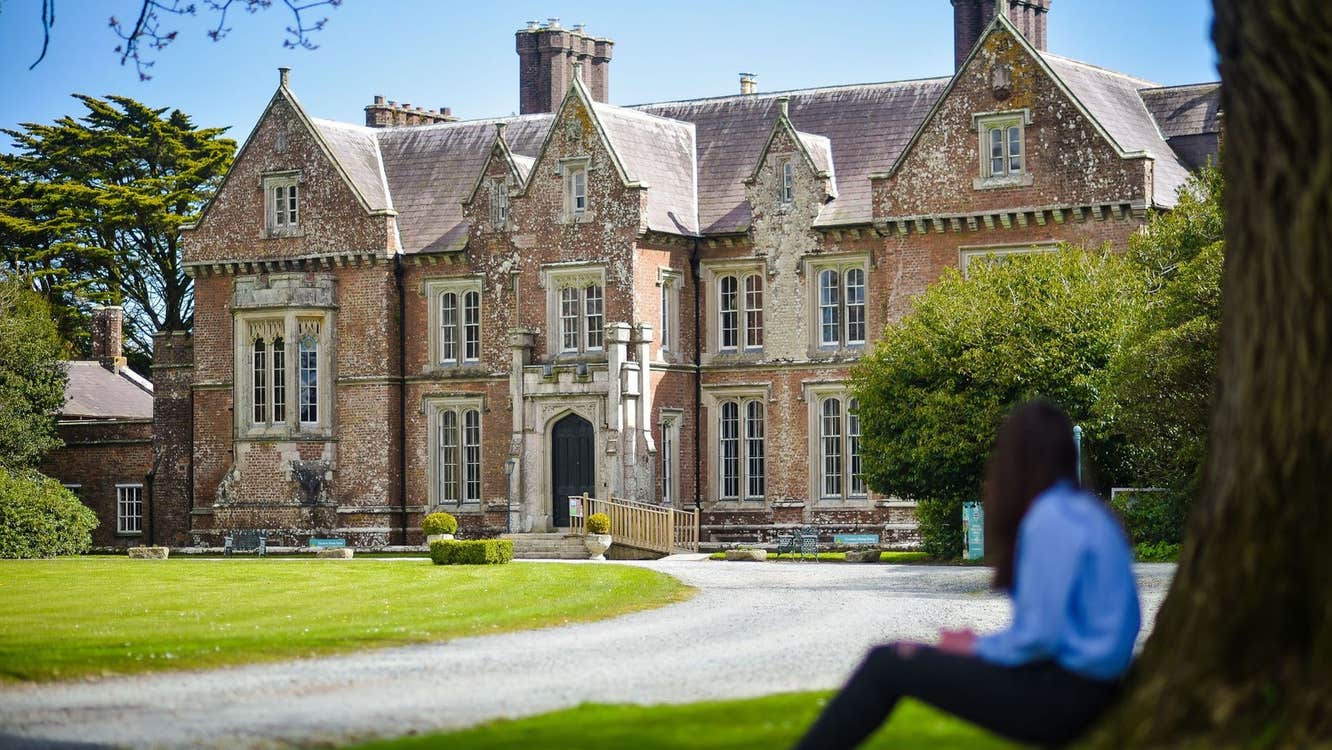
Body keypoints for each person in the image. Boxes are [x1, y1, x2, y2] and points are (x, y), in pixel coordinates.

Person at [793, 400, 1140, 749]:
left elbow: (1038, 637)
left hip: (1063, 695)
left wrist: (973, 647)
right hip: (1094, 686)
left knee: (888, 663)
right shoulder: (1092, 513)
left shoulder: (1050, 517)